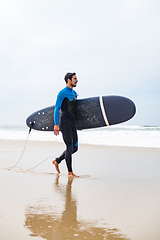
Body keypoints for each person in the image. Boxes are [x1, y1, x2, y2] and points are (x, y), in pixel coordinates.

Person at [52, 72, 79, 178]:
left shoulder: (75, 93)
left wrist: (79, 124)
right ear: (69, 80)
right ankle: (70, 172)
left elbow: (76, 111)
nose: (77, 81)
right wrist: (56, 124)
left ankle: (57, 161)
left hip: (73, 123)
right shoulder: (62, 93)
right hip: (65, 122)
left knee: (75, 148)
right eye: (75, 79)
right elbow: (56, 108)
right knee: (69, 146)